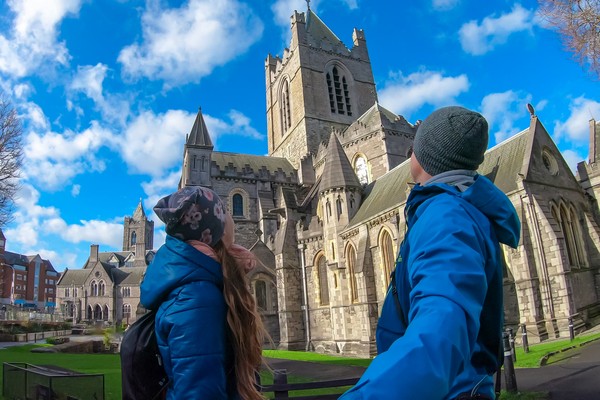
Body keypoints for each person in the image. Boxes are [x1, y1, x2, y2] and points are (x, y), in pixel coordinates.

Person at [340, 106, 520, 399]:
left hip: (449, 390)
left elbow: (439, 332)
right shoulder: (448, 209)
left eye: (412, 146)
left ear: (422, 157)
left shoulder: (446, 217)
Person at [140, 186, 267, 400]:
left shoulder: (200, 285)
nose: (231, 216)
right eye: (224, 210)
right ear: (214, 230)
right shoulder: (196, 299)